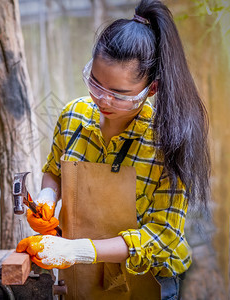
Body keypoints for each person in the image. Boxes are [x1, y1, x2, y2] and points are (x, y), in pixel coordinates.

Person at [15, 0, 210, 299]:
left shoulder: (167, 141)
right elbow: (54, 170)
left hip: (146, 281)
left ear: (151, 89)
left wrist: (77, 250)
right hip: (82, 277)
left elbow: (164, 235)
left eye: (119, 94)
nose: (102, 101)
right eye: (95, 83)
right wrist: (47, 197)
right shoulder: (73, 116)